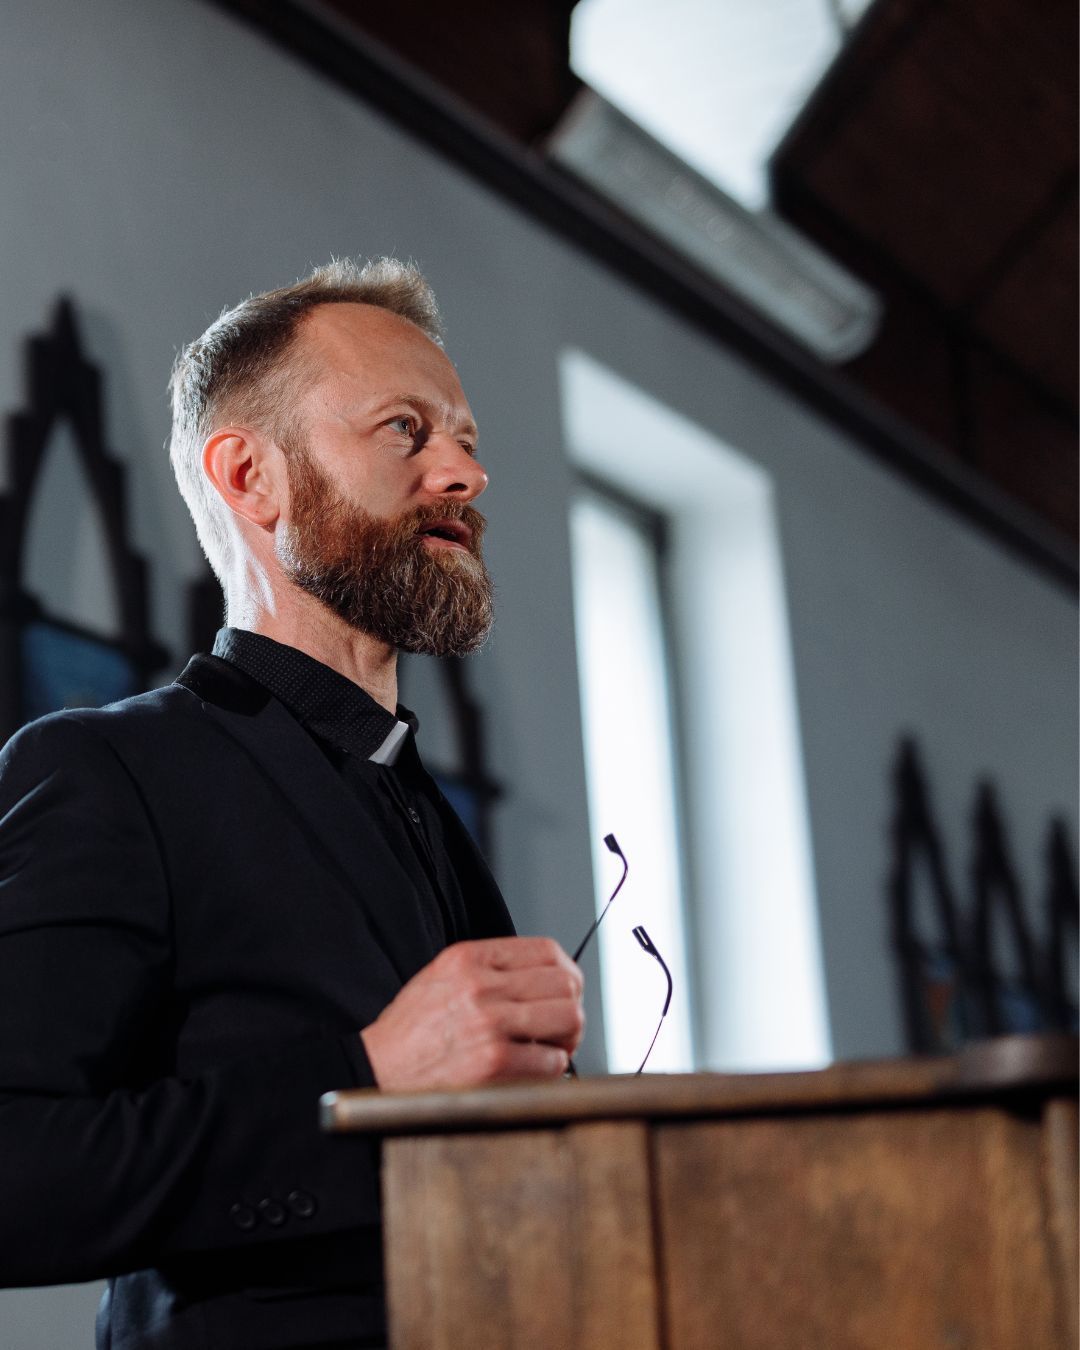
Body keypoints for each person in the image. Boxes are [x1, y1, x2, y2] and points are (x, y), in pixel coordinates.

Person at [0, 259, 585, 1349]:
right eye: (407, 431)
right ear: (251, 477)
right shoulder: (108, 772)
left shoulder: (423, 812)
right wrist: (364, 1079)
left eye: (463, 436)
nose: (465, 472)